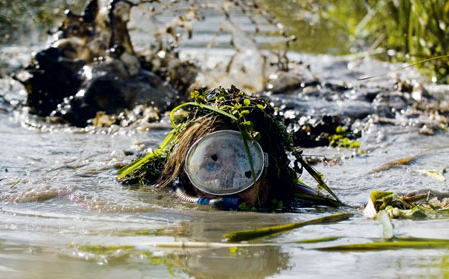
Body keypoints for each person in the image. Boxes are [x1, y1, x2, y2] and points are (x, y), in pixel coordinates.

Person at [118, 86, 340, 211]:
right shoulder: (169, 188)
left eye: (243, 162)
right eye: (211, 163)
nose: (227, 180)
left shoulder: (283, 190)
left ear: (266, 173)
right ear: (188, 171)